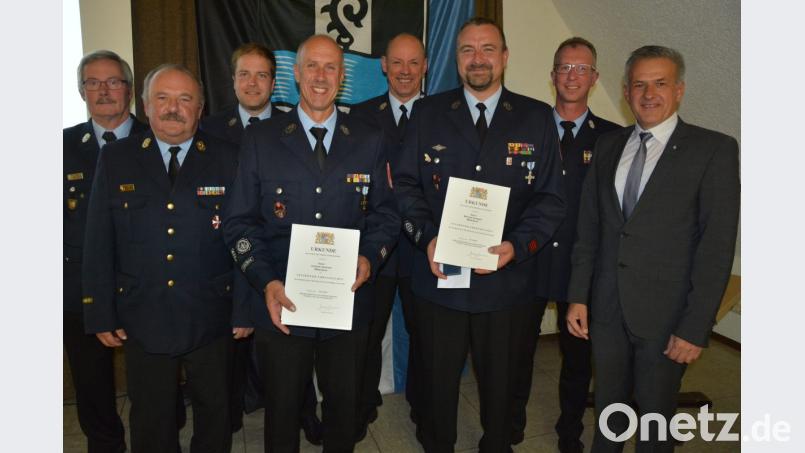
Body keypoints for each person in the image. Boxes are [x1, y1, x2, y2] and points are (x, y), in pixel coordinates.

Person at [394, 17, 565, 452]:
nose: (478, 58)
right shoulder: (428, 113)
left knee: (502, 384)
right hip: (440, 281)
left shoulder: (536, 117)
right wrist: (426, 237)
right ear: (456, 59)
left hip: (505, 284)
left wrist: (517, 247)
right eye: (467, 49)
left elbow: (550, 199)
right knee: (436, 383)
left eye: (488, 48)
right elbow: (407, 186)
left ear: (505, 57)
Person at [223, 34, 400, 452]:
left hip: (348, 300)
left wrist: (369, 259)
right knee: (282, 412)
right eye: (312, 67)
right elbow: (238, 223)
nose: (321, 77)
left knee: (344, 409)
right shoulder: (262, 139)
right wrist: (266, 280)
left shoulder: (370, 138)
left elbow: (387, 215)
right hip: (282, 302)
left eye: (331, 67)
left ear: (342, 78)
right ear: (297, 73)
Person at [566, 45, 740, 452]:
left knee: (655, 420)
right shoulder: (608, 146)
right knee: (609, 412)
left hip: (668, 318)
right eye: (639, 84)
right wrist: (578, 297)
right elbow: (589, 230)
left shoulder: (713, 149)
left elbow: (716, 247)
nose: (649, 94)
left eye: (659, 83)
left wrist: (695, 326)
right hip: (607, 310)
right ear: (626, 92)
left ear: (678, 90)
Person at [82, 63, 250, 453]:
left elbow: (243, 235)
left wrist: (245, 307)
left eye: (185, 99)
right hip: (143, 311)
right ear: (145, 105)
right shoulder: (116, 158)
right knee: (151, 415)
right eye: (163, 98)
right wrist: (100, 312)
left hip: (211, 309)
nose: (173, 108)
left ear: (201, 108)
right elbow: (98, 240)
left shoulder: (229, 157)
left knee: (215, 410)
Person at [511, 37, 621, 451]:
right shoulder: (525, 129)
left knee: (577, 362)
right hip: (528, 262)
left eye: (581, 69)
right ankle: (514, 419)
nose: (571, 76)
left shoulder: (612, 139)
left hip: (581, 269)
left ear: (594, 78)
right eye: (564, 67)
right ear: (552, 75)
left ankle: (569, 430)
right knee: (517, 353)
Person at [64, 49, 147, 453]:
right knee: (91, 381)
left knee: (154, 378)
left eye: (112, 81)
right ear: (81, 92)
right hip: (81, 286)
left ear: (129, 90)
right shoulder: (59, 147)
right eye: (92, 83)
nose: (103, 90)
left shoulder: (160, 138)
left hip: (148, 286)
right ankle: (105, 443)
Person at [349, 32, 428, 435]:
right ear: (383, 65)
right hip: (373, 246)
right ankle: (362, 404)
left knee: (425, 333)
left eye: (413, 62)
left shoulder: (441, 115)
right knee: (367, 332)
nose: (405, 71)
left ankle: (421, 403)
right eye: (397, 62)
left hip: (422, 247)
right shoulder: (359, 116)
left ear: (425, 66)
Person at [201, 42, 284, 145]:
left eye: (261, 75)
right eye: (244, 74)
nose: (252, 83)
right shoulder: (209, 129)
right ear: (234, 81)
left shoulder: (293, 128)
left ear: (272, 84)